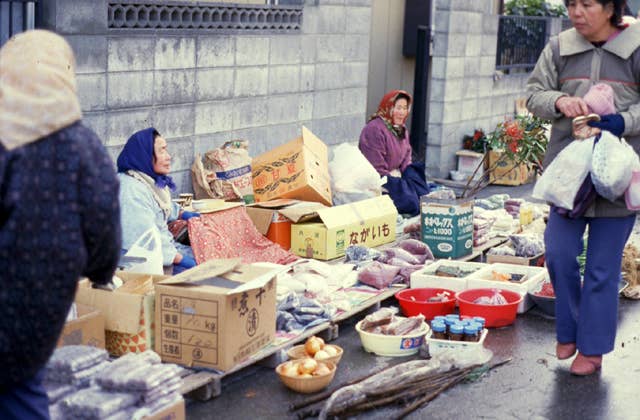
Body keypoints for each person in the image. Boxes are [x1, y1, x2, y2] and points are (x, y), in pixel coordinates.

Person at [0, 30, 121, 418]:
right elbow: (103, 221)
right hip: (45, 300)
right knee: (20, 385)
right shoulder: (85, 147)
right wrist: (100, 270)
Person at [526, 0, 640, 375]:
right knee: (558, 255)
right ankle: (570, 330)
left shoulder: (635, 47)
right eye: (571, 3)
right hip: (569, 179)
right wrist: (559, 100)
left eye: (587, 3)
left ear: (611, 8)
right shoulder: (560, 47)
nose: (576, 11)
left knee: (601, 270)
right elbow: (534, 95)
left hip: (618, 179)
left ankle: (592, 350)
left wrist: (621, 121)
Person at [117, 128, 199, 274]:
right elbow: (146, 239)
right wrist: (183, 260)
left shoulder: (147, 180)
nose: (168, 157)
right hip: (134, 263)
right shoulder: (131, 190)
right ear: (146, 156)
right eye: (161, 151)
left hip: (163, 251)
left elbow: (162, 206)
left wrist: (185, 214)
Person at [359, 90, 430, 216]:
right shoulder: (374, 129)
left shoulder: (401, 129)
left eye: (405, 108)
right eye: (398, 108)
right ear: (388, 108)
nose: (402, 112)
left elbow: (406, 158)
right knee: (411, 202)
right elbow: (376, 168)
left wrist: (410, 179)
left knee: (425, 196)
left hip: (396, 176)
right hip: (378, 179)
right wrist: (401, 184)